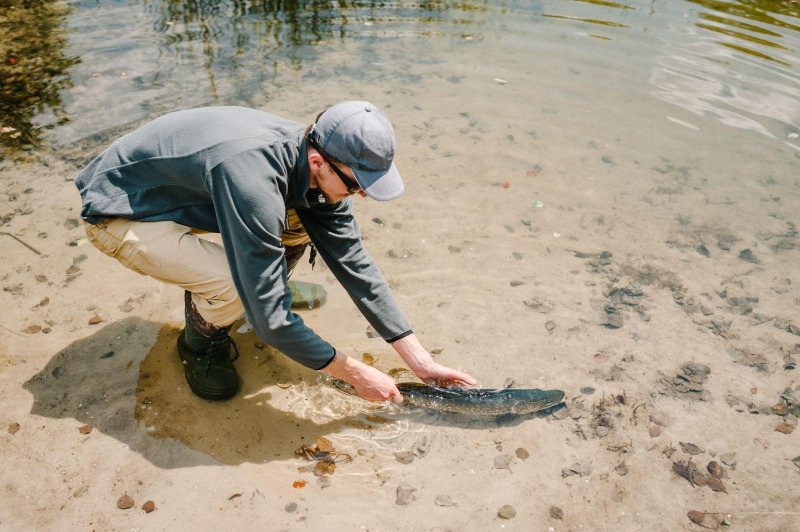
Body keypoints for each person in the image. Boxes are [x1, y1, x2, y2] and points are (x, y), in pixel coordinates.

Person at [75, 101, 476, 402]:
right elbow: (269, 323)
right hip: (124, 209)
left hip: (188, 191)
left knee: (301, 222)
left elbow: (353, 262)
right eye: (356, 187)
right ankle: (200, 341)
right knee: (236, 289)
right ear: (319, 160)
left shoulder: (314, 157)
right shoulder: (254, 180)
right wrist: (352, 372)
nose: (361, 197)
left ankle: (262, 286)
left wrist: (420, 361)